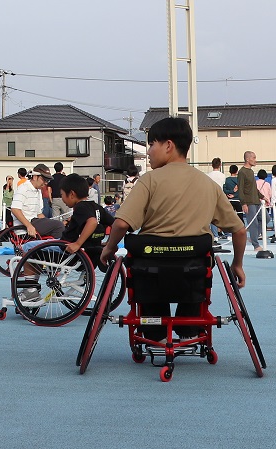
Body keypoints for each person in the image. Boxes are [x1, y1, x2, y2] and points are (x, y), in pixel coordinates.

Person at [98, 116, 246, 339]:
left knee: (148, 276)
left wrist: (108, 249)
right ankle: (189, 326)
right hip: (192, 271)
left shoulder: (149, 180)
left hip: (150, 271)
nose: (148, 151)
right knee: (195, 275)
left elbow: (121, 223)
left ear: (168, 145)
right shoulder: (208, 184)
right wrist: (237, 264)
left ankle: (154, 330)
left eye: (151, 144)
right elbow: (240, 230)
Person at [10, 169, 62, 240]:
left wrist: (49, 222)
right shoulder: (23, 188)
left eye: (48, 181)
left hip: (35, 221)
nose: (46, 183)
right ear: (35, 177)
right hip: (26, 225)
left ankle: (49, 248)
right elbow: (15, 209)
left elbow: (39, 214)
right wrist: (29, 226)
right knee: (59, 226)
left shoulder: (38, 191)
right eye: (44, 179)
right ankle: (55, 248)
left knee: (58, 225)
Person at [237, 152, 263, 249]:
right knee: (253, 223)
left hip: (257, 201)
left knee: (266, 219)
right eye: (254, 158)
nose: (255, 160)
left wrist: (262, 196)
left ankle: (253, 237)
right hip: (249, 202)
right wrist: (243, 203)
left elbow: (253, 188)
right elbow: (241, 189)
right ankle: (255, 245)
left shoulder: (251, 172)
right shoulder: (242, 172)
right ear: (248, 159)